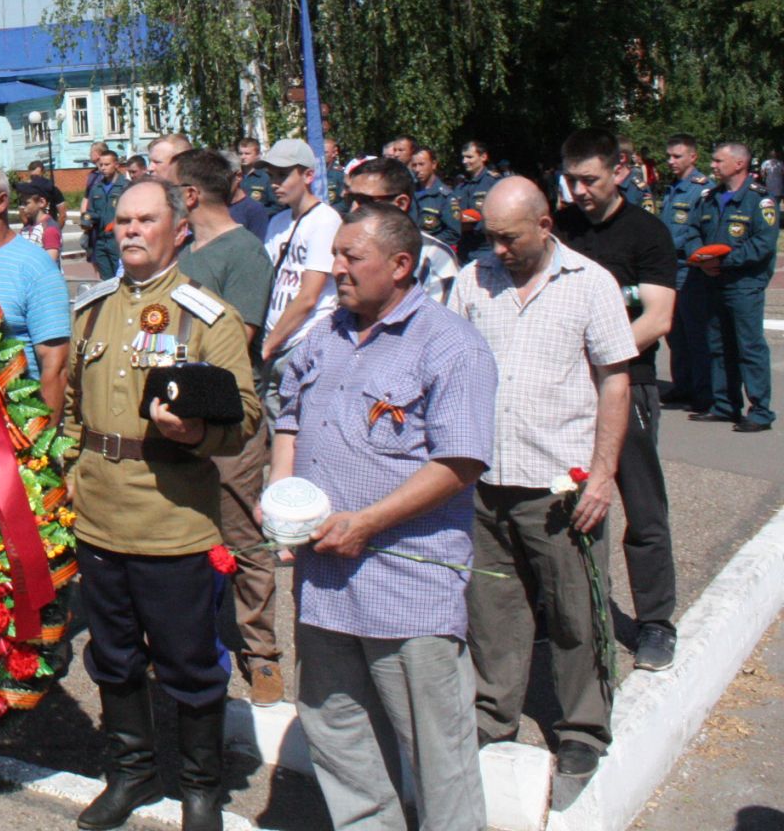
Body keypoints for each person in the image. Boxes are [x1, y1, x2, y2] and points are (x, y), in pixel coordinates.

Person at [271, 205, 497, 831]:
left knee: (435, 750)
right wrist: (282, 503)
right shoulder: (325, 334)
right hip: (324, 584)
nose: (335, 268)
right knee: (338, 731)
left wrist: (367, 522)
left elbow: (460, 461)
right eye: (336, 254)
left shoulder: (450, 345)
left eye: (351, 257)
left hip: (407, 591)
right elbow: (287, 419)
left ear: (400, 266)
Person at [63, 178, 260, 831]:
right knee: (113, 657)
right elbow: (68, 409)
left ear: (179, 229)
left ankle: (203, 789)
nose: (130, 230)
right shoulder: (90, 310)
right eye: (121, 220)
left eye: (145, 219)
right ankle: (132, 773)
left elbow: (247, 415)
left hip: (172, 518)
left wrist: (200, 433)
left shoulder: (209, 317)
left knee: (190, 664)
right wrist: (67, 470)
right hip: (99, 516)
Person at [448, 178, 636, 782]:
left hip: (560, 487)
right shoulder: (473, 280)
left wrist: (602, 476)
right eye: (490, 237)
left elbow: (614, 381)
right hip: (484, 482)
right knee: (493, 609)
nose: (497, 249)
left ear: (545, 225)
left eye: (509, 238)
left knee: (576, 611)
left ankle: (583, 725)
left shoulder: (590, 284)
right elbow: (449, 364)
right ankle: (492, 711)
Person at [555, 130, 680, 671]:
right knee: (565, 502)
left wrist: (602, 356)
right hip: (566, 388)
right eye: (572, 179)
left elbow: (658, 316)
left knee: (642, 509)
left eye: (591, 179)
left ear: (619, 173)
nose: (580, 190)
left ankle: (655, 623)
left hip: (627, 383)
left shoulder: (646, 233)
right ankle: (566, 612)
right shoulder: (560, 230)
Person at [170, 148, 282, 706]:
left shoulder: (245, 253)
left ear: (190, 196)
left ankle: (261, 654)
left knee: (241, 535)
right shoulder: (184, 251)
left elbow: (238, 340)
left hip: (228, 424)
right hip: (177, 421)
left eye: (168, 188)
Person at [0, 161, 72, 421]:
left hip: (13, 426)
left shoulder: (36, 268)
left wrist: (41, 446)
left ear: (1, 202)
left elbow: (55, 366)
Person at [691, 141, 779, 432]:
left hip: (744, 285)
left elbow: (763, 244)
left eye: (718, 161)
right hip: (712, 281)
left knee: (749, 348)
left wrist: (722, 262)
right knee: (718, 347)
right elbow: (691, 231)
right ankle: (725, 405)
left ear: (739, 163)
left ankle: (760, 412)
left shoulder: (760, 200)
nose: (712, 165)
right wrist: (701, 259)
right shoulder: (709, 197)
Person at [260, 139, 341, 405]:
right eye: (271, 175)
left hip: (302, 341)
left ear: (308, 175)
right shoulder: (278, 221)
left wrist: (270, 344)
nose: (275, 183)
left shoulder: (324, 220)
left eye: (283, 175)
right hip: (275, 340)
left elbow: (308, 296)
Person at [344, 158, 460, 304]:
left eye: (364, 201)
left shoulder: (434, 258)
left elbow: (440, 322)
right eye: (350, 199)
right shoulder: (343, 250)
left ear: (400, 203)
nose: (354, 209)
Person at [656, 134, 714, 409]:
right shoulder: (673, 188)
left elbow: (698, 230)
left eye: (677, 156)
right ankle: (683, 385)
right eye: (669, 156)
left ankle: (704, 394)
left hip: (689, 270)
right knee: (675, 334)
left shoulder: (701, 190)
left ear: (693, 157)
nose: (671, 161)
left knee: (695, 335)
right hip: (670, 270)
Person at [82, 147, 130, 279]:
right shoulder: (96, 188)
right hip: (100, 240)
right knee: (106, 280)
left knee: (122, 278)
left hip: (118, 240)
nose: (103, 168)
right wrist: (87, 220)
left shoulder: (125, 186)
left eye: (107, 164)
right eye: (101, 165)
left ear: (116, 165)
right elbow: (91, 211)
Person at [451, 140, 499, 263]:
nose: (464, 161)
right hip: (464, 249)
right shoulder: (461, 186)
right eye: (463, 157)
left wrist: (453, 218)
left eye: (469, 157)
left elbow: (476, 215)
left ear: (483, 157)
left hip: (485, 248)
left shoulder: (492, 183)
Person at [410, 146, 461, 250]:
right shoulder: (409, 191)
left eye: (421, 164)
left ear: (433, 164)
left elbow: (453, 232)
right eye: (414, 165)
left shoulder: (446, 197)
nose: (417, 169)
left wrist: (427, 244)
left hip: (432, 252)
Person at [224, 154, 270, 242]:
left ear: (238, 176)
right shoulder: (212, 207)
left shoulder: (254, 210)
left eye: (221, 177)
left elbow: (257, 250)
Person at [18, 186, 64, 262]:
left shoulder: (49, 230)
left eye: (26, 203)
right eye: (21, 203)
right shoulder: (26, 227)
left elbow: (49, 263)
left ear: (41, 202)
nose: (23, 207)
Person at [236, 137, 275, 208]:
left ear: (258, 155)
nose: (243, 157)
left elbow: (277, 206)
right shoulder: (234, 176)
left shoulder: (266, 177)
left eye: (247, 154)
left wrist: (257, 215)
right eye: (240, 153)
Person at [321, 137, 347, 211]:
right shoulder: (310, 173)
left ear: (334, 153)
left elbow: (345, 203)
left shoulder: (339, 174)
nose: (321, 155)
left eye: (325, 152)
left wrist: (328, 211)